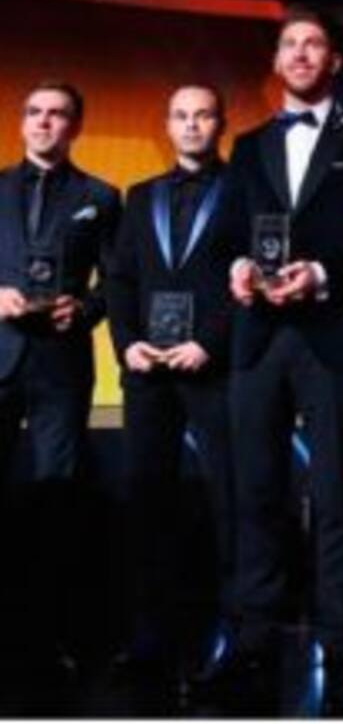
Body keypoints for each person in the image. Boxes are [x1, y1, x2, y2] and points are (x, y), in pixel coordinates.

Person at [204, 7, 343, 712]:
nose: (300, 53)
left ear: (334, 61)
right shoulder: (250, 144)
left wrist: (320, 274)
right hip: (259, 339)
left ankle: (340, 646)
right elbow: (228, 232)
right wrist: (238, 267)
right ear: (277, 60)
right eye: (289, 43)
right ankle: (253, 642)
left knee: (338, 495)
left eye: (313, 43)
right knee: (255, 492)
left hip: (333, 334)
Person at [106, 84, 236, 682]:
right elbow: (120, 279)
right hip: (148, 372)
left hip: (213, 368)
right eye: (181, 116)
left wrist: (209, 341)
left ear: (220, 124)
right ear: (167, 125)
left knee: (230, 500)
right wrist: (127, 342)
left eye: (202, 115)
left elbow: (253, 279)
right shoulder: (141, 196)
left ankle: (233, 636)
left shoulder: (245, 192)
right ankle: (149, 637)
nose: (191, 125)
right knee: (146, 502)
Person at [0, 80, 120, 676]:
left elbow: (118, 281)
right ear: (22, 122)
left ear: (75, 126)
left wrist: (87, 309)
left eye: (57, 114)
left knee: (59, 500)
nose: (44, 122)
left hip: (61, 365)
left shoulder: (100, 196)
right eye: (35, 112)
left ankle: (48, 636)